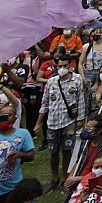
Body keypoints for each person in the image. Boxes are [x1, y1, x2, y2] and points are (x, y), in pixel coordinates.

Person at [38, 58, 86, 192]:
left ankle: (65, 179)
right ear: (56, 66)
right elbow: (45, 103)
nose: (62, 68)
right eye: (60, 66)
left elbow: (80, 100)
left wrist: (81, 119)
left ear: (70, 65)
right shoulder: (51, 81)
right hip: (53, 122)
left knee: (67, 151)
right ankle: (54, 179)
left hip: (69, 122)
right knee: (53, 152)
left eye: (65, 65)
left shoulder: (76, 79)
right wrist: (38, 123)